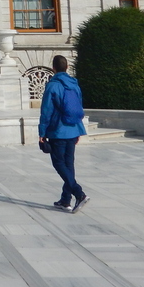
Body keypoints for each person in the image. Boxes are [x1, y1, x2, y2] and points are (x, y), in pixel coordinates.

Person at [39, 55, 89, 213]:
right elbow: (78, 106)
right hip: (73, 128)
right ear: (67, 67)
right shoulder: (75, 84)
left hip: (58, 131)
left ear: (53, 68)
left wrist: (42, 131)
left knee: (59, 163)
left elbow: (46, 111)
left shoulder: (53, 86)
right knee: (69, 164)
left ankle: (79, 194)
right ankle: (65, 200)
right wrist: (78, 128)